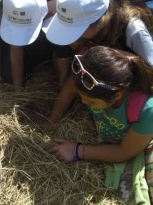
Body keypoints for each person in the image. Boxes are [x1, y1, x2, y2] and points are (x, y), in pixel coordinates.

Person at [48, 45, 153, 203]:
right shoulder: (87, 74)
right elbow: (69, 92)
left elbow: (124, 151)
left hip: (140, 143)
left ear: (117, 95)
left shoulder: (146, 110)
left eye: (90, 101)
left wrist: (77, 151)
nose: (83, 102)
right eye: (82, 97)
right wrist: (51, 121)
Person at [43, 0, 153, 125]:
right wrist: (50, 122)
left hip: (127, 79)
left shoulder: (134, 30)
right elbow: (71, 86)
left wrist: (121, 56)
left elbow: (150, 71)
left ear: (100, 20)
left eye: (77, 32)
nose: (72, 40)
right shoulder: (80, 7)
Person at [0, 0, 56, 87]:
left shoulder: (58, 7)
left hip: (48, 46)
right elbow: (15, 45)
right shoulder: (12, 1)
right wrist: (17, 89)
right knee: (7, 76)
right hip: (27, 51)